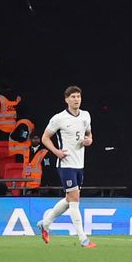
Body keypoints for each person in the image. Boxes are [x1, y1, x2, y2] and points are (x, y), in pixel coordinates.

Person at [37, 85, 96, 247]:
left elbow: (89, 134)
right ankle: (83, 239)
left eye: (78, 96)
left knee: (69, 199)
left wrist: (89, 140)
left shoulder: (86, 116)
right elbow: (45, 138)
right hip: (66, 164)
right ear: (66, 100)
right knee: (75, 200)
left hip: (80, 164)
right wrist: (56, 152)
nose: (76, 99)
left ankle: (45, 223)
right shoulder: (59, 118)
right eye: (73, 97)